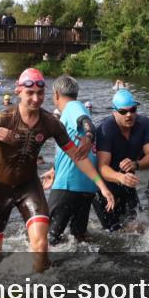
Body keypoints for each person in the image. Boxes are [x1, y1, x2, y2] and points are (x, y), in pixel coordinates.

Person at [0, 68, 115, 270]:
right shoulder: (2, 119)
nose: (36, 99)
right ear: (18, 91)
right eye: (30, 93)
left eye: (40, 93)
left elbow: (77, 156)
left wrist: (101, 186)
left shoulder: (50, 123)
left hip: (29, 187)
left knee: (41, 245)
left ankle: (39, 292)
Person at [46, 76, 114, 245]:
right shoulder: (80, 107)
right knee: (79, 238)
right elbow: (71, 146)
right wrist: (54, 168)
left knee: (48, 238)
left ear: (56, 94)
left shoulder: (72, 107)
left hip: (68, 184)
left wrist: (89, 136)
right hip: (88, 186)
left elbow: (86, 123)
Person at [95, 89, 149, 232]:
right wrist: (120, 177)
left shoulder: (144, 123)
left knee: (139, 228)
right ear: (114, 111)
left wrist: (137, 164)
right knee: (113, 234)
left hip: (128, 184)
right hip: (104, 188)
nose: (129, 115)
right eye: (123, 112)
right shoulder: (105, 129)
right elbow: (102, 167)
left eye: (133, 110)